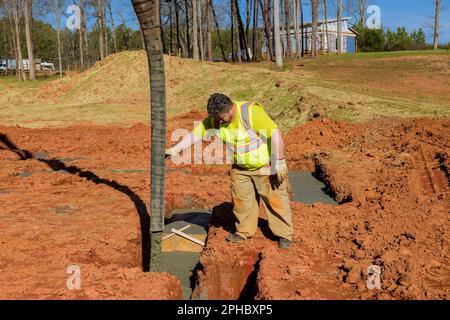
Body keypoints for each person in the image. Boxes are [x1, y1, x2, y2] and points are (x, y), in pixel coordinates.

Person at [165, 93, 293, 249]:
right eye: (217, 119)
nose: (219, 122)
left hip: (266, 165)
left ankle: (284, 235)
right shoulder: (216, 118)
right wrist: (175, 150)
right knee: (242, 201)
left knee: (275, 201)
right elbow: (195, 135)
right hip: (240, 168)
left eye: (222, 118)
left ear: (231, 108)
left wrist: (279, 161)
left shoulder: (250, 113)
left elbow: (275, 133)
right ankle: (244, 231)